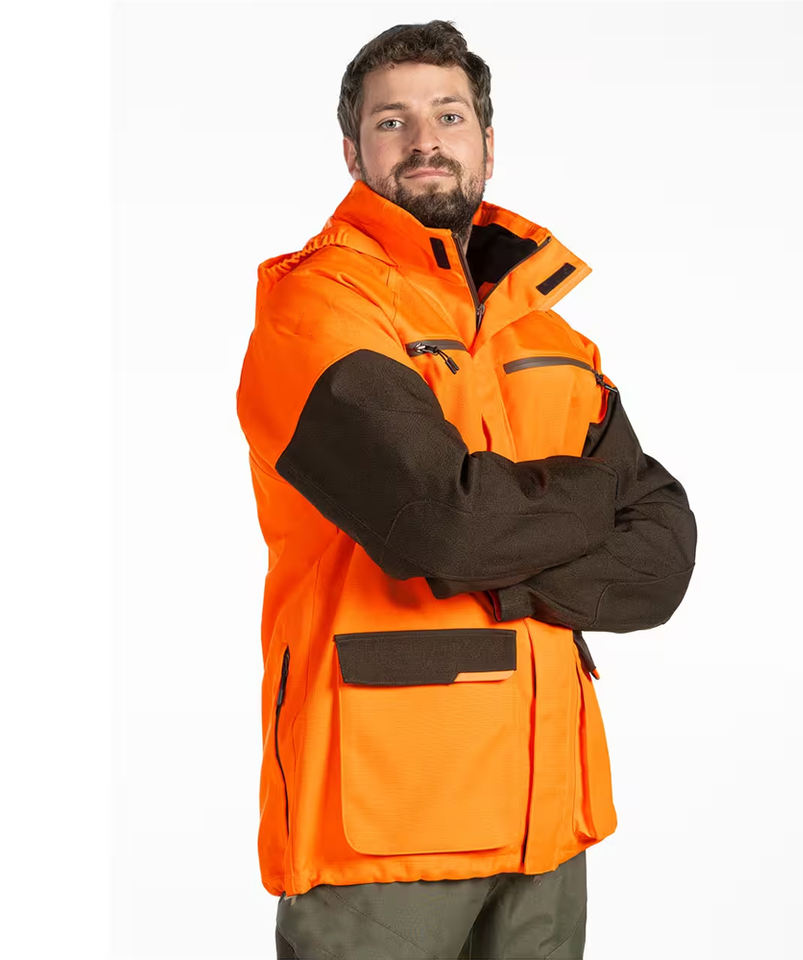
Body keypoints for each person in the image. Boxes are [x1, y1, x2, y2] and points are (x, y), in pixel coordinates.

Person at [236, 19, 698, 960]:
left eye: (449, 116)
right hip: (387, 820)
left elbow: (660, 558)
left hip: (548, 815)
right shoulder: (317, 308)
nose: (425, 140)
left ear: (488, 140)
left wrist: (506, 563)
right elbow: (442, 524)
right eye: (392, 122)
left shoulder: (549, 334)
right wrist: (588, 499)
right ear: (352, 152)